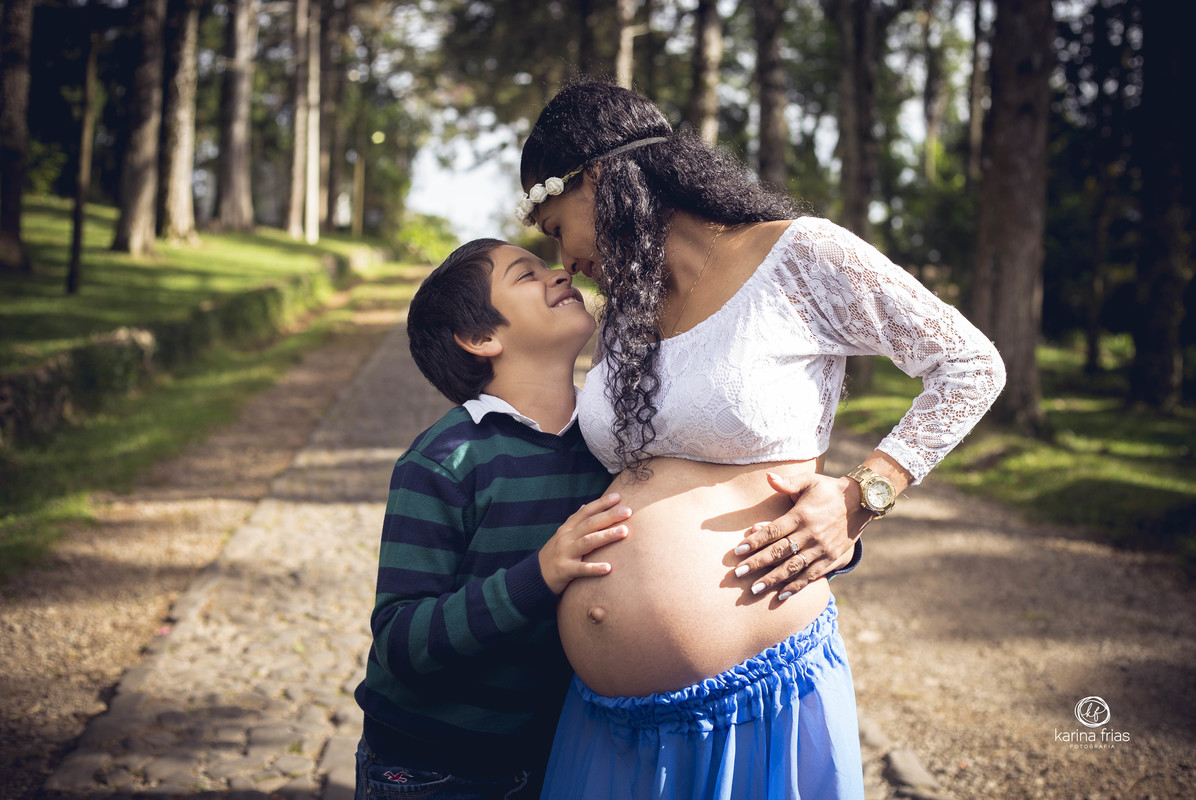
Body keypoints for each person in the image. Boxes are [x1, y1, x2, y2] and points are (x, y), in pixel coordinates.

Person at [517, 80, 1006, 799]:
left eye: (558, 229)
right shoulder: (626, 307)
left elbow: (969, 364)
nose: (564, 262)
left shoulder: (800, 255)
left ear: (596, 178)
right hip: (607, 722)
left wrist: (865, 494)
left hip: (753, 701)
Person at [352, 238, 632, 798]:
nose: (558, 273)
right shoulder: (444, 460)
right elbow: (401, 641)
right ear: (482, 339)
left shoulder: (612, 443)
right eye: (526, 275)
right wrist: (541, 574)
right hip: (435, 766)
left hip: (558, 755)